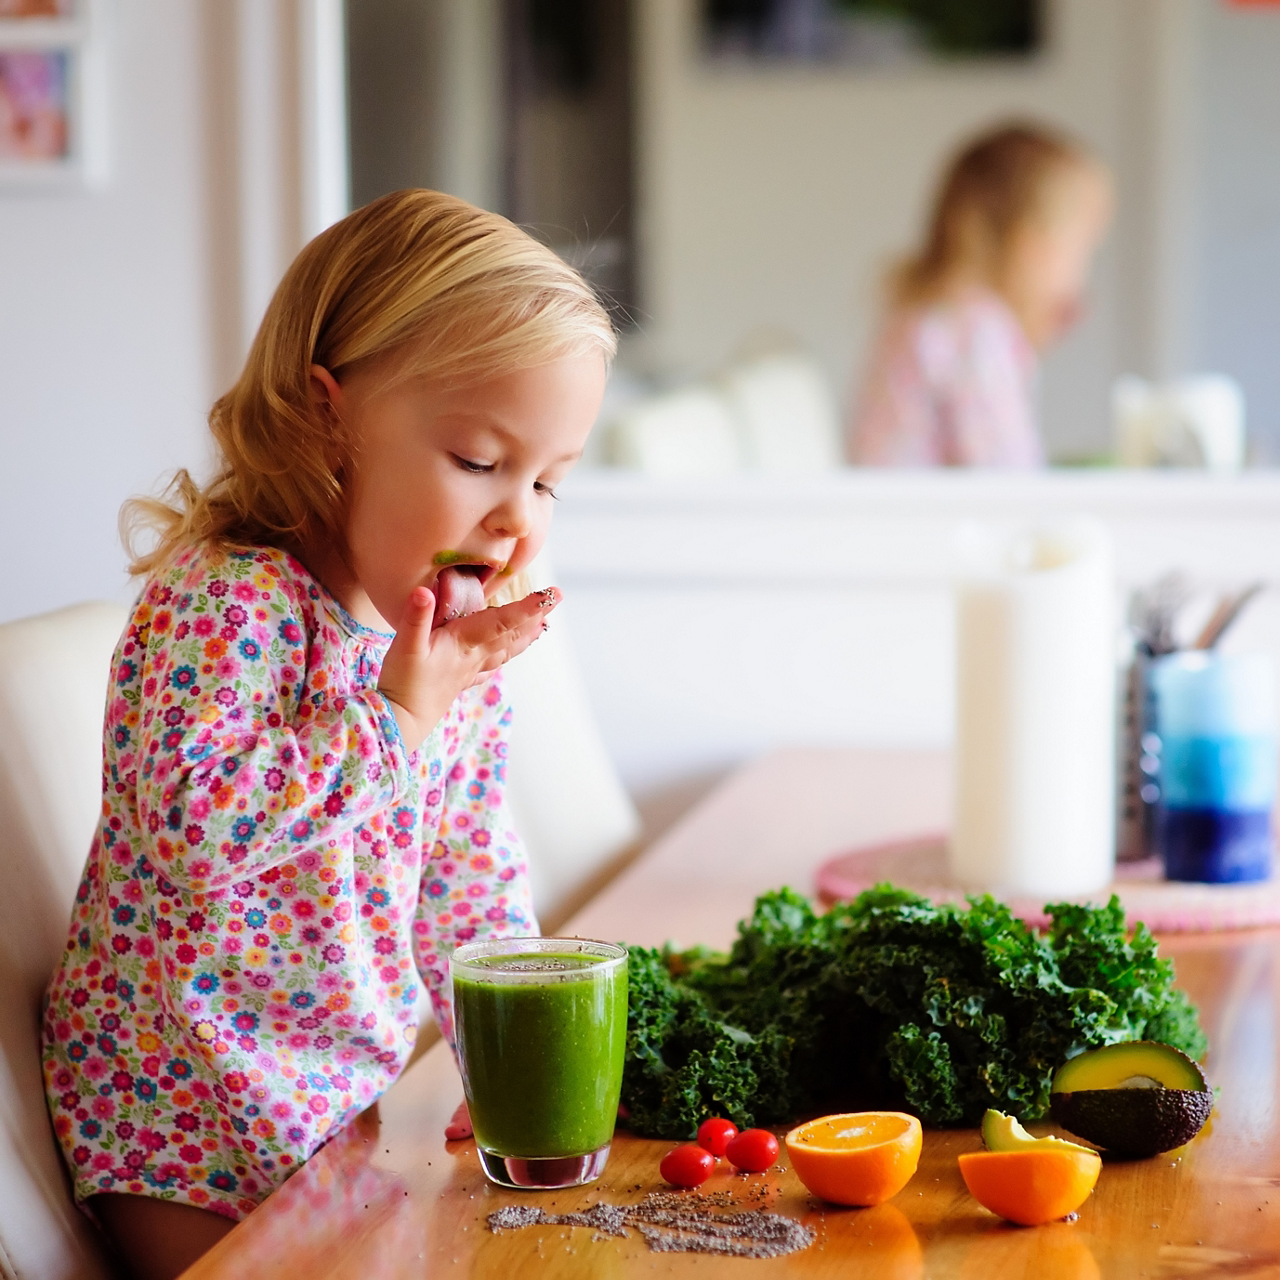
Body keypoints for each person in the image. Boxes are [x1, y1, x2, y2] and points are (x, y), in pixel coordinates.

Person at [40, 190, 614, 1280]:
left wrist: (510, 1057)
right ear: (327, 417)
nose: (517, 516)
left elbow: (467, 874)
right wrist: (396, 717)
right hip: (184, 1124)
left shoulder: (452, 647)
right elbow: (195, 834)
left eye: (547, 478)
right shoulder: (224, 604)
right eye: (479, 460)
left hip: (345, 1111)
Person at [848, 122, 1112, 467]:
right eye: (1083, 250)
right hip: (923, 520)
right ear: (1031, 249)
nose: (1082, 274)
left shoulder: (927, 316)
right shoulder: (977, 332)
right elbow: (1007, 475)